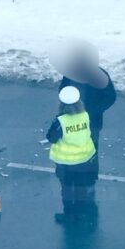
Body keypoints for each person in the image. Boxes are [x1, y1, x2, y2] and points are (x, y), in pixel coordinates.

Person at [46, 86, 98, 225]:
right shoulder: (85, 115)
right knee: (80, 188)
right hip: (84, 159)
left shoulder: (60, 121)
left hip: (66, 163)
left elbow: (51, 137)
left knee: (68, 190)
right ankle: (80, 213)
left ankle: (69, 214)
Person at [54, 40, 116, 152]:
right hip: (72, 119)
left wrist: (94, 110)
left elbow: (110, 97)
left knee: (90, 148)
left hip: (91, 122)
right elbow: (63, 89)